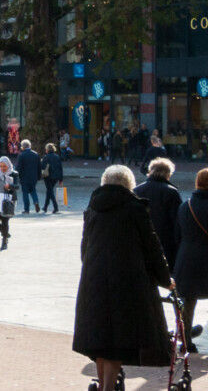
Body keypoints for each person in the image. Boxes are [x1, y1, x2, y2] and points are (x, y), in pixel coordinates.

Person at [73, 165, 173, 390]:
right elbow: (152, 247)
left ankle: (103, 386)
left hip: (94, 281)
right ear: (129, 184)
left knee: (100, 339)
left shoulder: (92, 208)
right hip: (126, 282)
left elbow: (84, 249)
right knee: (116, 341)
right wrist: (165, 279)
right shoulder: (134, 208)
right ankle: (108, 388)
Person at [174, 168, 208, 353]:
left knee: (187, 304)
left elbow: (177, 235)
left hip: (187, 260)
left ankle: (186, 342)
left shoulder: (185, 206)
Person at [133, 157, 182, 270]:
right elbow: (177, 221)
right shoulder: (171, 192)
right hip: (165, 242)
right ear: (168, 174)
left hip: (141, 241)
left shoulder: (137, 190)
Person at [0, 157, 16, 250]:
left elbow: (17, 186)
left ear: (8, 165)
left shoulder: (14, 174)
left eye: (4, 166)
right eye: (0, 166)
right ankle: (5, 233)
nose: (2, 168)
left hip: (8, 201)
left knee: (5, 221)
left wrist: (10, 185)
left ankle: (4, 241)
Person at [14, 140, 40, 215]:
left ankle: (27, 209)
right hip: (33, 177)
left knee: (25, 193)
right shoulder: (36, 154)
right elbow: (39, 167)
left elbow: (18, 167)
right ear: (30, 146)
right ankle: (36, 202)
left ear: (22, 147)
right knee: (33, 191)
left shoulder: (21, 155)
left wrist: (16, 175)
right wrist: (38, 177)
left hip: (24, 177)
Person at [40, 144, 64, 213]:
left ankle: (55, 207)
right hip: (56, 177)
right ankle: (45, 207)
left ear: (47, 150)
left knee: (50, 191)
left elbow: (42, 167)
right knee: (49, 191)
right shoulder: (57, 157)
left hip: (48, 177)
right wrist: (61, 179)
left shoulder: (46, 157)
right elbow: (60, 168)